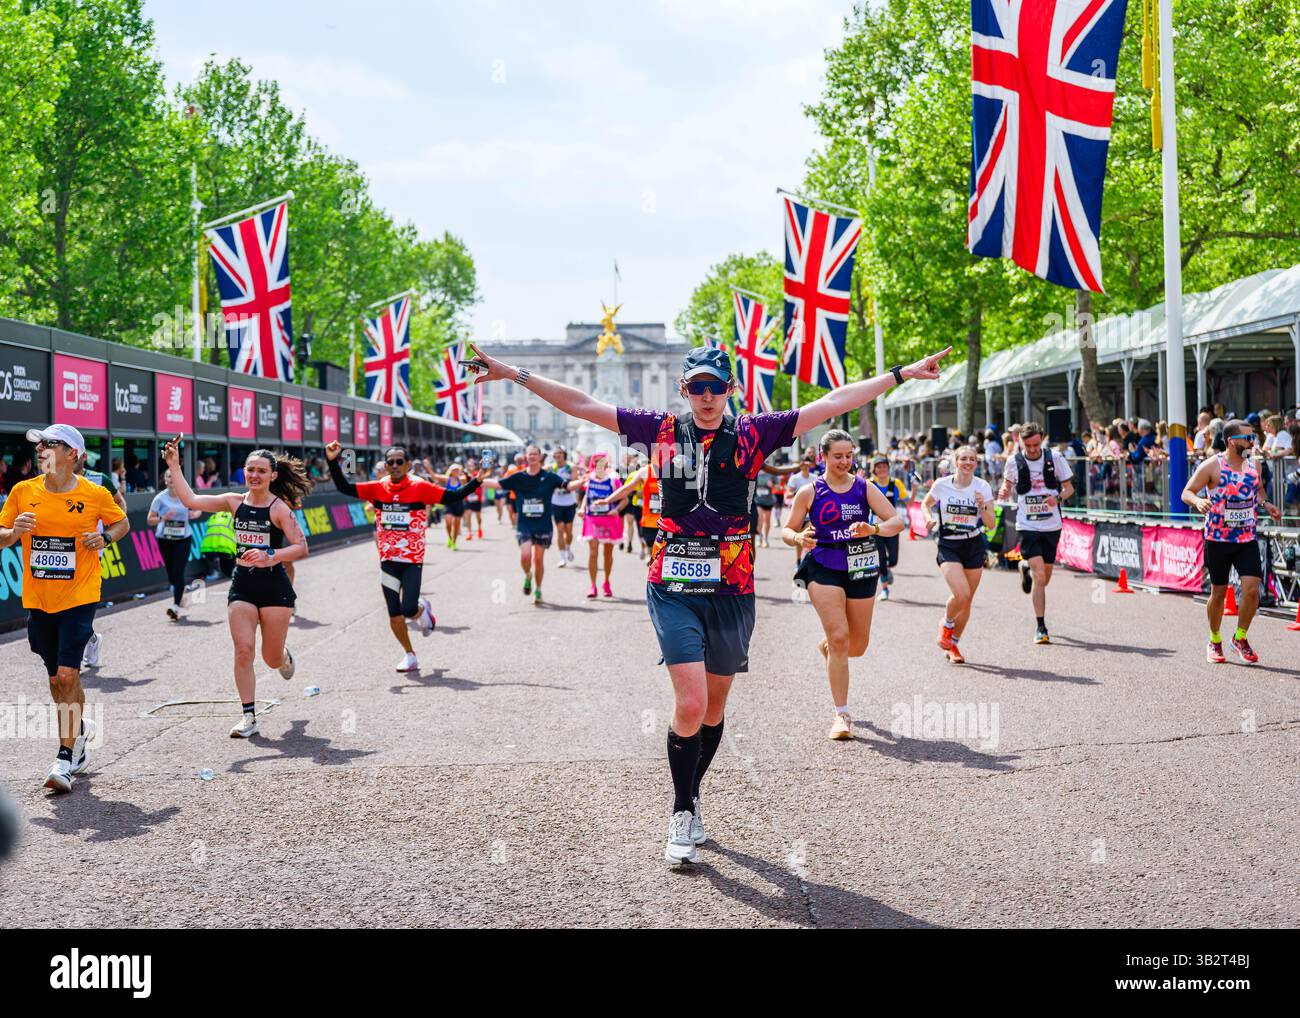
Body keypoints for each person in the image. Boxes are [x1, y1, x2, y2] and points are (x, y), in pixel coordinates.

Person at [463, 338, 949, 865]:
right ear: (684, 389)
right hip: (673, 583)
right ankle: (680, 809)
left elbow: (832, 403)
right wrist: (509, 373)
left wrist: (899, 373)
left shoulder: (751, 433)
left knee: (714, 710)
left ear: (731, 390)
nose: (708, 396)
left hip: (732, 585)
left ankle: (692, 795)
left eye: (717, 387)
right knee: (690, 703)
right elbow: (582, 404)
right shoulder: (660, 431)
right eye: (698, 387)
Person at [0, 425, 129, 791]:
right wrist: (13, 534)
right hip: (39, 598)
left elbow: (122, 523)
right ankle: (81, 731)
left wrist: (104, 537)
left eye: (49, 444)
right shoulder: (23, 492)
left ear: (72, 453)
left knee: (69, 675)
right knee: (57, 678)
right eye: (38, 446)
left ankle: (63, 757)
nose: (40, 450)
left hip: (80, 595)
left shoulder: (94, 493)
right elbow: (1, 536)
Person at [163, 439, 310, 737]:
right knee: (243, 650)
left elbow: (301, 547)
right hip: (242, 585)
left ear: (273, 476)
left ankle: (283, 656)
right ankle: (248, 717)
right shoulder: (233, 502)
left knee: (270, 658)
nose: (255, 475)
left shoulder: (278, 508)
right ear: (244, 472)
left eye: (261, 471)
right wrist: (174, 465)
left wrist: (272, 556)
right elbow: (191, 500)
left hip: (275, 589)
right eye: (250, 470)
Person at [783, 430, 904, 739]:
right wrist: (798, 537)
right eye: (838, 456)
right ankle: (842, 715)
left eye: (849, 456)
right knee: (839, 637)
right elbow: (786, 528)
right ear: (824, 456)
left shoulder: (865, 488)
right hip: (823, 565)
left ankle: (830, 650)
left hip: (861, 565)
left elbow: (896, 522)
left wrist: (872, 528)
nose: (844, 461)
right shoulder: (810, 491)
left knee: (857, 646)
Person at [328, 442, 477, 671]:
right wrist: (332, 460)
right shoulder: (377, 488)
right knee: (394, 612)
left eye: (400, 461)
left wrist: (477, 480)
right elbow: (344, 487)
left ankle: (421, 609)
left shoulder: (420, 487)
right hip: (388, 560)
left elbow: (452, 496)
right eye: (391, 462)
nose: (395, 465)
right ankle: (409, 654)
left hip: (412, 561)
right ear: (386, 466)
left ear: (407, 465)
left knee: (408, 609)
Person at [1181, 420, 1281, 664]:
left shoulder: (1253, 465)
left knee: (1251, 590)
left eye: (1253, 438)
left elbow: (1257, 491)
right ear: (1231, 441)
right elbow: (1186, 492)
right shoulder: (1212, 466)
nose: (1252, 442)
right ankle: (1214, 640)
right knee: (1218, 594)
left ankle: (1240, 637)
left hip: (1246, 538)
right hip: (1218, 539)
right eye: (1247, 438)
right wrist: (1198, 502)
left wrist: (1265, 504)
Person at [998, 421, 1074, 645]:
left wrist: (1058, 498)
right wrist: (1004, 490)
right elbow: (1007, 485)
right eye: (1028, 445)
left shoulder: (1055, 458)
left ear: (1041, 439)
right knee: (1041, 575)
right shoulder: (1013, 461)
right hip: (1027, 525)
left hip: (1051, 525)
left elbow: (1069, 488)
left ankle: (1026, 569)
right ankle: (1041, 627)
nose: (1032, 449)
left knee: (1044, 578)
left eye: (1035, 444)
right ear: (1021, 442)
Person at [923, 446, 996, 664]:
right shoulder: (942, 485)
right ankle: (946, 624)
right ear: (956, 462)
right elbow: (926, 504)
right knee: (961, 593)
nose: (968, 462)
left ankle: (953, 644)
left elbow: (991, 524)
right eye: (963, 458)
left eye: (972, 459)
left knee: (967, 601)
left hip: (973, 543)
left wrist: (981, 505)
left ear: (976, 462)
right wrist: (928, 518)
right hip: (949, 544)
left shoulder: (982, 486)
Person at [483, 445, 567, 605]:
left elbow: (568, 485)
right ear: (526, 457)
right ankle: (528, 575)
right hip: (524, 524)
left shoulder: (550, 477)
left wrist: (587, 480)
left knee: (539, 560)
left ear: (540, 457)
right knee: (526, 556)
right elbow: (497, 484)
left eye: (535, 454)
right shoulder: (518, 477)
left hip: (543, 525)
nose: (532, 457)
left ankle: (538, 589)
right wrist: (478, 481)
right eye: (530, 454)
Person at [76, 453, 127, 670]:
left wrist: (107, 533)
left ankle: (74, 652)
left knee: (79, 603)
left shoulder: (99, 480)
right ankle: (91, 639)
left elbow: (120, 507)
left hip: (91, 549)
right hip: (59, 549)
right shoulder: (48, 479)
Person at [148, 467, 203, 620]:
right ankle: (180, 594)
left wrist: (193, 514)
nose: (171, 479)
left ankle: (176, 607)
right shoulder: (160, 498)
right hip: (165, 539)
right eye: (168, 476)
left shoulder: (186, 496)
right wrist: (163, 517)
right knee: (171, 574)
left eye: (174, 476)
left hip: (183, 539)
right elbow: (150, 519)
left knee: (178, 572)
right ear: (164, 480)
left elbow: (199, 510)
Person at [572, 452, 625, 598]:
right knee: (593, 552)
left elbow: (624, 499)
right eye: (597, 463)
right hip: (592, 519)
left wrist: (616, 509)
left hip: (609, 519)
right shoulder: (590, 479)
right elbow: (586, 496)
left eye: (603, 462)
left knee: (607, 554)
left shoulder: (613, 479)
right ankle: (593, 585)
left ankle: (606, 582)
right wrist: (582, 508)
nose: (600, 465)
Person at [868, 456, 908, 601]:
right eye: (878, 467)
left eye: (884, 466)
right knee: (880, 559)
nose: (882, 469)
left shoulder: (895, 483)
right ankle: (884, 588)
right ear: (874, 469)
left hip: (892, 526)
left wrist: (915, 487)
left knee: (893, 559)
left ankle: (888, 568)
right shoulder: (868, 484)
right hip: (875, 527)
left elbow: (907, 499)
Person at [548, 447, 578, 566]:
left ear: (564, 455)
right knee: (560, 530)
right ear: (554, 456)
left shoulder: (570, 467)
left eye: (560, 453)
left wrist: (565, 487)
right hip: (556, 503)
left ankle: (568, 548)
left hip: (569, 502)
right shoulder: (551, 468)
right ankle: (562, 558)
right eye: (556, 454)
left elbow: (574, 482)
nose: (558, 456)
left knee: (569, 531)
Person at [201, 508, 238, 581]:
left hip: (208, 546)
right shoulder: (233, 516)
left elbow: (207, 526)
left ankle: (216, 572)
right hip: (226, 546)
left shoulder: (212, 517)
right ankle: (230, 572)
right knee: (229, 559)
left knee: (214, 557)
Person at [462, 455, 484, 541]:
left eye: (472, 465)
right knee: (468, 515)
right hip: (468, 499)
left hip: (476, 499)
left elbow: (482, 482)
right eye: (469, 465)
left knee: (478, 517)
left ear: (474, 466)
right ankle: (469, 533)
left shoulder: (477, 474)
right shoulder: (465, 476)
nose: (470, 467)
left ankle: (479, 528)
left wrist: (483, 496)